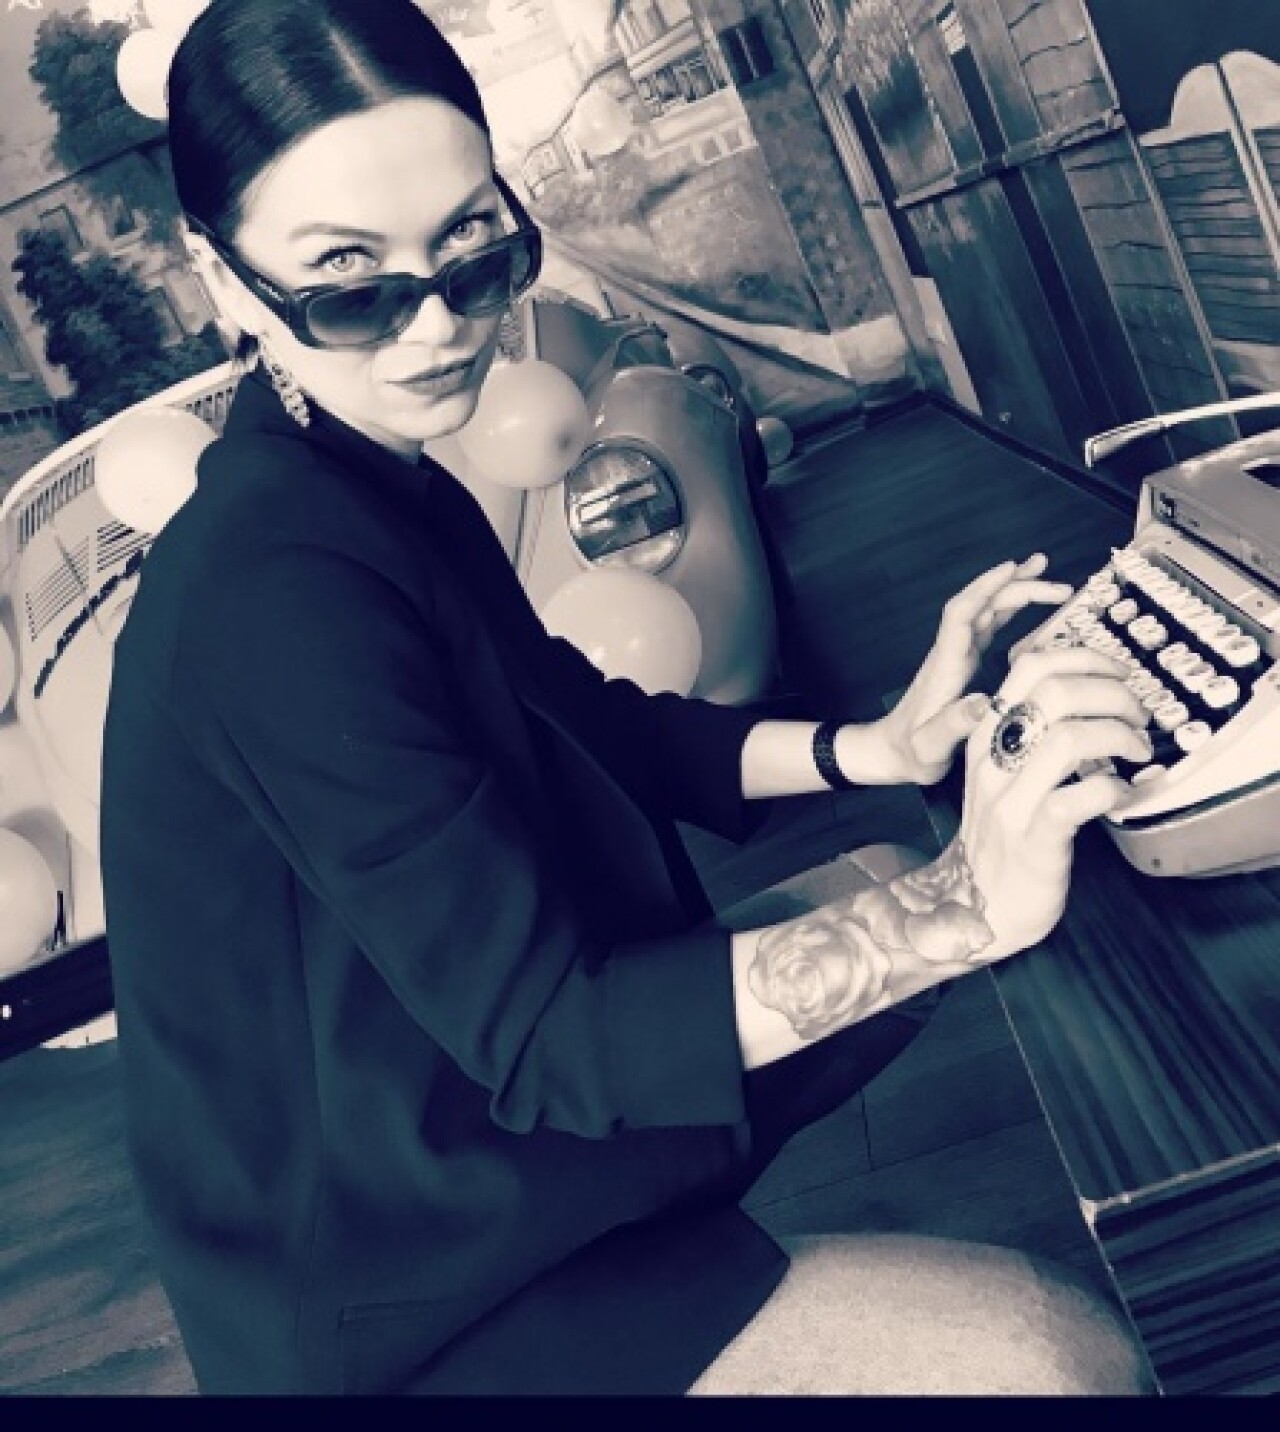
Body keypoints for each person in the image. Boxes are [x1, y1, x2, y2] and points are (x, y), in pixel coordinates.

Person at [99, 0, 1155, 1397]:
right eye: (350, 285)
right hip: (404, 1293)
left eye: (474, 255)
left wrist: (877, 745)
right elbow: (552, 1036)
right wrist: (970, 902)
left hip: (473, 1126)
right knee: (1055, 1360)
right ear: (221, 277)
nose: (438, 329)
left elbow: (589, 720)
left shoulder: (365, 475)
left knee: (888, 879)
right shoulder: (268, 586)